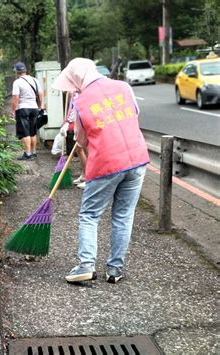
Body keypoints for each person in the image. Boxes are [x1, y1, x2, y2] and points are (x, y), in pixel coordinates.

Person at [52, 58, 150, 284]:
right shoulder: (123, 87)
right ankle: (115, 270)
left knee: (89, 214)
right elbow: (134, 115)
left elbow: (82, 140)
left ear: (77, 78)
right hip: (137, 158)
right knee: (123, 215)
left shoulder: (81, 101)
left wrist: (82, 135)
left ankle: (86, 265)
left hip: (107, 163)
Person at [10, 62, 43, 160]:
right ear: (25, 70)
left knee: (25, 132)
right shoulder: (35, 80)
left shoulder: (17, 82)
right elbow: (40, 95)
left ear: (16, 71)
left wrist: (12, 111)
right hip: (34, 108)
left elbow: (15, 98)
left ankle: (28, 154)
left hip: (22, 109)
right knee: (33, 132)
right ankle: (33, 152)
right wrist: (39, 107)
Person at [60, 93, 88, 189]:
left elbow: (76, 109)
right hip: (79, 124)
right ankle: (85, 175)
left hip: (85, 123)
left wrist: (67, 123)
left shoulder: (80, 91)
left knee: (86, 150)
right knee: (79, 150)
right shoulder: (73, 92)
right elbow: (72, 109)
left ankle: (89, 178)